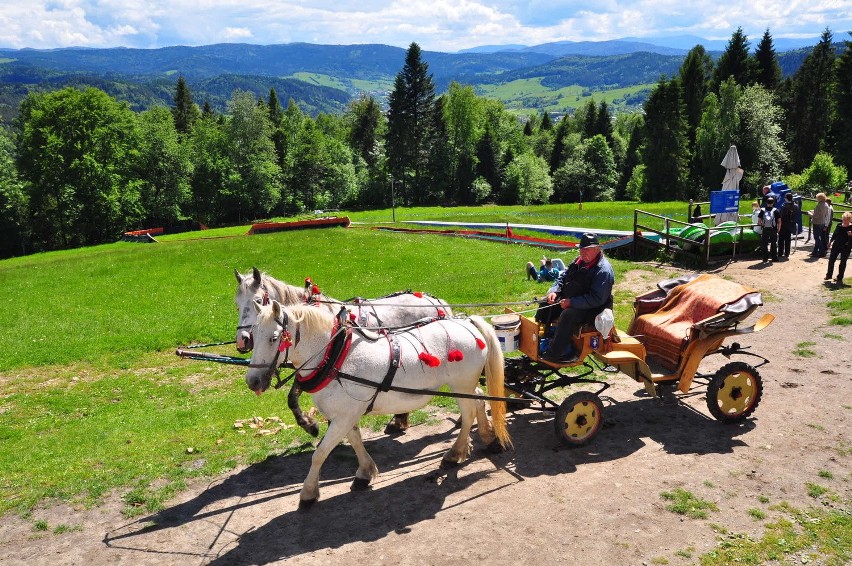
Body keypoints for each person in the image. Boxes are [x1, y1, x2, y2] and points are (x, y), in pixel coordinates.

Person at [536, 233, 614, 364]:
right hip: (573, 300)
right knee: (545, 303)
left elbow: (596, 299)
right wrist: (554, 291)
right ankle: (544, 337)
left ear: (597, 249)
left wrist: (571, 302)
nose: (583, 252)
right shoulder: (578, 261)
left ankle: (557, 353)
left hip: (594, 309)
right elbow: (562, 277)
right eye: (581, 249)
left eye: (587, 249)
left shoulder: (603, 271)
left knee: (568, 315)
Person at [825, 211, 852, 286]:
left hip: (846, 247)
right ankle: (829, 275)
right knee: (831, 260)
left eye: (846, 220)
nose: (844, 221)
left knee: (842, 263)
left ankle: (839, 278)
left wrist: (850, 235)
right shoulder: (839, 225)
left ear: (849, 219)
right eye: (843, 219)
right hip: (836, 245)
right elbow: (835, 234)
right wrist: (830, 242)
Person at [758, 196, 781, 262]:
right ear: (773, 203)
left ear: (766, 202)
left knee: (764, 244)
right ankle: (774, 257)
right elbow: (779, 221)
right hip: (773, 229)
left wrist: (762, 225)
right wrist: (778, 229)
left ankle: (765, 258)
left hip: (765, 229)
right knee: (773, 243)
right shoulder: (776, 210)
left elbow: (759, 221)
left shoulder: (762, 210)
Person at [810, 192, 831, 257]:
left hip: (817, 223)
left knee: (816, 237)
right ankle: (815, 252)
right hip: (822, 222)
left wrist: (810, 214)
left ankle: (822, 251)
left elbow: (815, 215)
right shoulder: (826, 205)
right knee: (819, 237)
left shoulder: (819, 205)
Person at [778, 192, 798, 258]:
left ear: (786, 198)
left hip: (783, 224)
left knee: (781, 239)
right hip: (790, 225)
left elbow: (780, 215)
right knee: (788, 239)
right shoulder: (795, 206)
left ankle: (780, 253)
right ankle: (787, 253)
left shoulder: (783, 206)